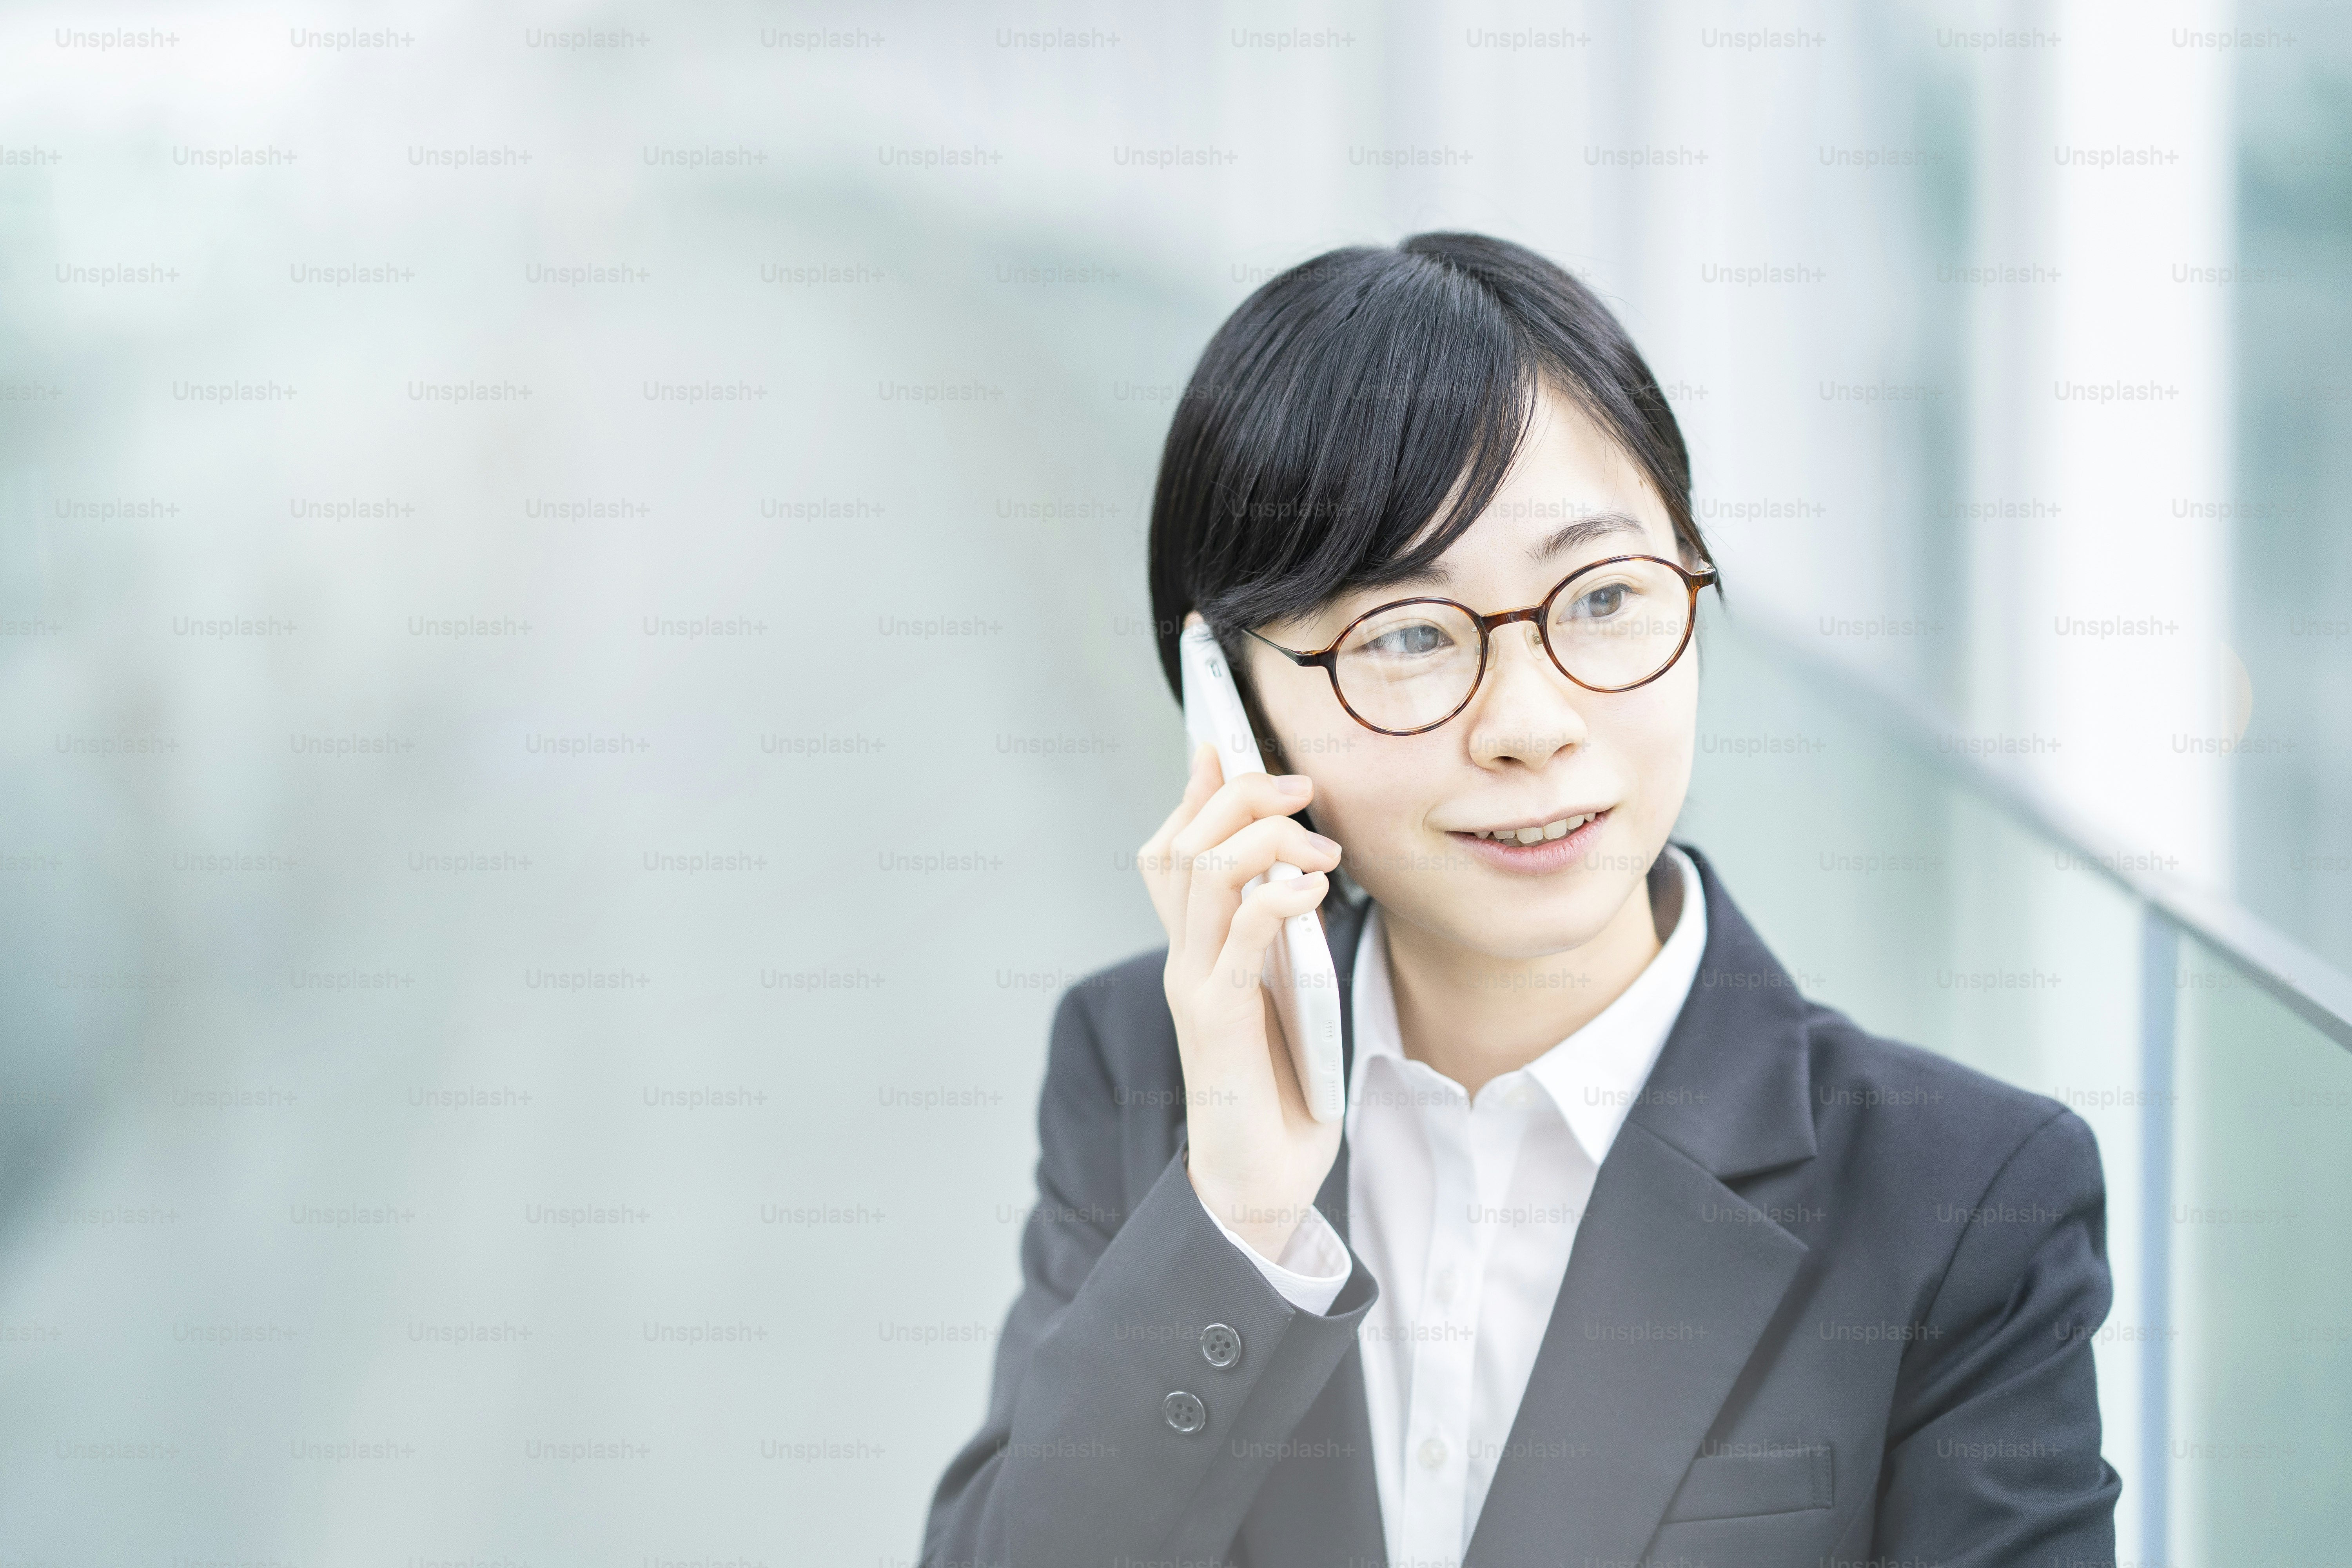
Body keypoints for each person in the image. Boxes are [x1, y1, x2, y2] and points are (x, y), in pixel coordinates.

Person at [924, 232, 2120, 1568]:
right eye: (1409, 636)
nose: (1533, 725)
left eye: (1605, 596)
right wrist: (1239, 1224)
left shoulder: (1961, 1196)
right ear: (1235, 706)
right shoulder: (1149, 1069)